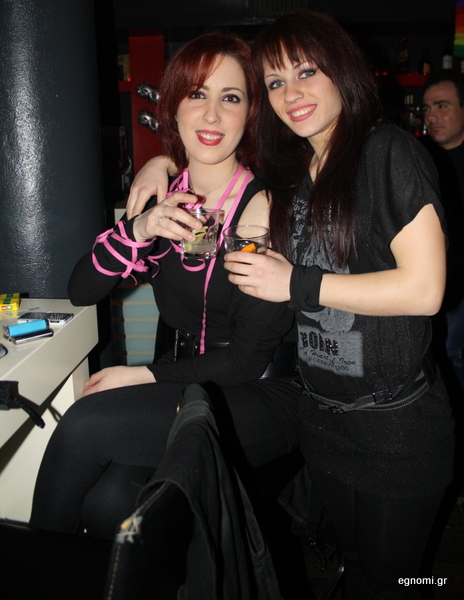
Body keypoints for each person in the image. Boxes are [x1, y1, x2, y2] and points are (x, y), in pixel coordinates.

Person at [130, 11, 455, 600]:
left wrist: (296, 284)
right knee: (351, 565)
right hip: (323, 419)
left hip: (395, 426)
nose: (291, 93)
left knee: (400, 579)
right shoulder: (298, 170)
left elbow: (425, 289)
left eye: (306, 72)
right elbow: (217, 157)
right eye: (276, 82)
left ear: (342, 70)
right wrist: (163, 160)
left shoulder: (387, 152)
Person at [30, 32, 300, 541]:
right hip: (182, 380)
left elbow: (245, 360)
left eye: (231, 97)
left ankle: (28, 571)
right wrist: (138, 228)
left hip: (258, 392)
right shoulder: (164, 200)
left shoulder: (263, 210)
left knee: (84, 424)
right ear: (173, 109)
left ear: (250, 113)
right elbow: (81, 290)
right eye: (197, 94)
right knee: (110, 505)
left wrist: (139, 376)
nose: (213, 114)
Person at [422, 71, 464, 395]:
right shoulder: (417, 156)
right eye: (426, 108)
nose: (431, 116)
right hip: (431, 278)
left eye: (441, 106)